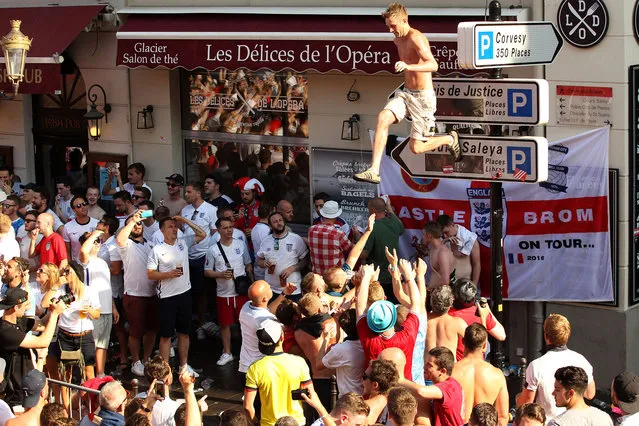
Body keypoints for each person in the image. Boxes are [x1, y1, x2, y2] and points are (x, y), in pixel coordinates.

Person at [353, 2, 460, 184]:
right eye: (388, 27)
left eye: (393, 26)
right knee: (383, 117)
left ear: (405, 20)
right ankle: (374, 170)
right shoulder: (397, 39)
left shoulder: (416, 37)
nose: (390, 31)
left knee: (416, 148)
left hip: (423, 98)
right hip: (406, 93)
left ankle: (449, 139)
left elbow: (433, 65)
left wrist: (409, 66)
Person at [147, 215, 206, 375]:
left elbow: (202, 234)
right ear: (162, 230)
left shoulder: (183, 243)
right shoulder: (157, 250)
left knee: (184, 333)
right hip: (167, 298)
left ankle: (184, 366)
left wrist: (184, 221)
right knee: (166, 335)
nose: (174, 229)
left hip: (184, 294)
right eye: (170, 226)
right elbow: (150, 274)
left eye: (175, 226)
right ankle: (165, 370)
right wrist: (168, 274)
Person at [516, 314, 595, 421]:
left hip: (549, 422)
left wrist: (518, 399)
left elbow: (526, 403)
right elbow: (590, 394)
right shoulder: (582, 361)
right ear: (568, 335)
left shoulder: (536, 365)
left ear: (545, 336)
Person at [0, 288, 65, 405]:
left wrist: (52, 311)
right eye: (25, 305)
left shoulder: (17, 321)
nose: (28, 307)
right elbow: (43, 341)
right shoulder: (5, 331)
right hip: (16, 392)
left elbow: (43, 325)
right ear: (15, 308)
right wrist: (55, 314)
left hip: (26, 386)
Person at [244, 319, 314, 426]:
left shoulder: (255, 368)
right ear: (282, 337)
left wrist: (256, 423)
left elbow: (248, 407)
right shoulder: (299, 362)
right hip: (297, 422)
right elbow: (310, 396)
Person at [356, 261, 420, 380]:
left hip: (372, 395)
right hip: (402, 395)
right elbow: (416, 304)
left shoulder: (369, 340)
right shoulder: (406, 336)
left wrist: (365, 277)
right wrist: (409, 276)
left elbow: (359, 307)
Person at [204, 216, 253, 365]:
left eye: (231, 227)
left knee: (245, 323)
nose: (229, 230)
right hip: (223, 293)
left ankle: (248, 352)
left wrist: (251, 283)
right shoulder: (212, 250)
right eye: (225, 228)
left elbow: (248, 265)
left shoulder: (240, 244)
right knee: (225, 324)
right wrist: (220, 274)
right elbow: (207, 271)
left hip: (241, 292)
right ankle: (227, 352)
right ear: (218, 230)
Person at [180, 181, 218, 342]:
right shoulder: (185, 210)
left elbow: (215, 233)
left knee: (202, 292)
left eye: (189, 192)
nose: (186, 195)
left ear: (198, 192)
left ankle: (203, 324)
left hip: (203, 255)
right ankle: (190, 324)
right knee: (189, 291)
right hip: (187, 255)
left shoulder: (211, 210)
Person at [452, 324, 508, 425]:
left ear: (463, 341)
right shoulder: (497, 375)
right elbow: (502, 417)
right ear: (485, 346)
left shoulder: (451, 372)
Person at [386, 250, 428, 385]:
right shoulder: (417, 333)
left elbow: (399, 295)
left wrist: (394, 269)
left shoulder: (393, 337)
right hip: (416, 383)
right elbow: (419, 303)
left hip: (396, 384)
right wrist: (417, 276)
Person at [54, 261, 101, 381]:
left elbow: (97, 314)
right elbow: (45, 303)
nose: (64, 274)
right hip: (65, 335)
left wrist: (89, 310)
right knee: (65, 373)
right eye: (64, 271)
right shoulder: (61, 290)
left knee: (89, 372)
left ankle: (89, 399)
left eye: (67, 271)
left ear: (76, 274)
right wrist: (56, 285)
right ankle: (65, 401)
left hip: (84, 335)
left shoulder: (89, 291)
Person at [238, 280, 295, 379]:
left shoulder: (246, 307)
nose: (270, 286)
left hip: (244, 367)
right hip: (261, 370)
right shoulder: (268, 322)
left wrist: (284, 294)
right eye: (268, 287)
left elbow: (266, 309)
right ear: (265, 298)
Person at [79, 230, 114, 378]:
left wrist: (114, 307)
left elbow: (107, 286)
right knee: (91, 346)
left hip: (107, 308)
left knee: (102, 345)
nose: (97, 243)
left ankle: (100, 374)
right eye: (93, 242)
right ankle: (88, 378)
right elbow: (83, 251)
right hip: (93, 309)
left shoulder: (103, 262)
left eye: (98, 241)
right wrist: (95, 233)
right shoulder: (84, 260)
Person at [398, 346, 464, 426]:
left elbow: (421, 391)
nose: (424, 367)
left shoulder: (449, 386)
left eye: (429, 365)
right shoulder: (447, 385)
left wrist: (399, 379)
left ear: (442, 371)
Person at [256, 212, 309, 301]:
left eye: (280, 220)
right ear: (270, 226)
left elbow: (306, 259)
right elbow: (259, 261)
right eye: (275, 222)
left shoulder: (296, 239)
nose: (279, 223)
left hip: (292, 289)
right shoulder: (266, 241)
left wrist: (293, 268)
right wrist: (264, 263)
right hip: (271, 290)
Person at [449, 279, 506, 361]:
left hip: (457, 366)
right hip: (477, 364)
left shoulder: (448, 315)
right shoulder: (481, 313)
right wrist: (487, 311)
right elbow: (501, 335)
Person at [360, 197, 404, 302]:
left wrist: (355, 243)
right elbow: (401, 228)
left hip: (378, 277)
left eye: (369, 210)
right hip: (393, 275)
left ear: (373, 211)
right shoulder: (394, 221)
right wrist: (388, 207)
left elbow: (363, 254)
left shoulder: (373, 228)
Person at [317, 308, 366, 396]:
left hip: (348, 400)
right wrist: (338, 325)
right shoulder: (367, 343)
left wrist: (325, 340)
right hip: (366, 396)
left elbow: (318, 365)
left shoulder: (341, 349)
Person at [547, 366, 612, 426]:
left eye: (557, 390)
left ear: (570, 393)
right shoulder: (604, 418)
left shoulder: (557, 423)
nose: (553, 393)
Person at [308, 201, 353, 276]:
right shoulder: (338, 233)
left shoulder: (311, 230)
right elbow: (350, 250)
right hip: (334, 278)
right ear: (336, 216)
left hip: (317, 277)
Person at [436, 215, 480, 284]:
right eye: (442, 234)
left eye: (446, 232)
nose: (445, 236)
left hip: (464, 285)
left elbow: (476, 264)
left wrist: (474, 284)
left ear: (452, 225)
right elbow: (433, 256)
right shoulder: (442, 239)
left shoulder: (470, 238)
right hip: (445, 284)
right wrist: (444, 241)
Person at [425, 284, 466, 354]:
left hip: (427, 364)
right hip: (449, 364)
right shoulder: (458, 323)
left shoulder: (422, 321)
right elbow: (476, 344)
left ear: (431, 302)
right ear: (451, 302)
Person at [62, 196, 99, 261]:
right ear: (74, 210)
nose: (83, 207)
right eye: (79, 206)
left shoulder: (97, 224)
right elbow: (67, 251)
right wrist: (71, 266)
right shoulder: (67, 227)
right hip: (77, 266)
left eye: (84, 204)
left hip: (94, 264)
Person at [362, 359, 400, 424]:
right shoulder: (398, 410)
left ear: (375, 385)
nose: (362, 381)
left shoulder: (359, 411)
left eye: (364, 376)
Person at [421, 222, 455, 287]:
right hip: (434, 291)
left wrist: (428, 289)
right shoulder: (433, 248)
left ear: (429, 236)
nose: (422, 237)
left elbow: (445, 280)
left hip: (440, 293)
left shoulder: (442, 253)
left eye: (423, 234)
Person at [233, 177, 264, 248]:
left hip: (258, 246)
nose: (244, 196)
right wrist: (233, 220)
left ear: (254, 193)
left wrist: (254, 232)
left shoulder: (261, 207)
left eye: (247, 194)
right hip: (242, 246)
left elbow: (268, 227)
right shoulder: (238, 208)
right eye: (242, 194)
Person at [250, 205, 271, 281]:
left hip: (258, 269)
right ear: (270, 214)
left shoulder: (254, 228)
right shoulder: (267, 230)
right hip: (266, 271)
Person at [18, 211, 41, 275]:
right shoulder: (22, 239)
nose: (25, 223)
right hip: (25, 277)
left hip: (38, 278)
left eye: (28, 221)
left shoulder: (41, 239)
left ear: (36, 223)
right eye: (25, 220)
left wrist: (33, 269)